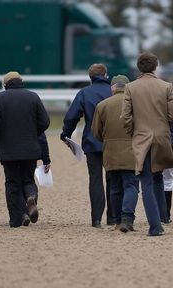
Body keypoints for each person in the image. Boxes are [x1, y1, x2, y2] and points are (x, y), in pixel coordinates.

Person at [121, 52, 173, 236]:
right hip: (161, 138)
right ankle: (162, 218)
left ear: (139, 67)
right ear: (155, 67)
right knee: (158, 179)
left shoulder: (130, 87)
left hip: (141, 138)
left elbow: (125, 117)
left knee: (146, 182)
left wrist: (134, 132)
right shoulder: (166, 86)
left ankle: (155, 226)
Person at [0, 72, 51, 228]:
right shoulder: (33, 97)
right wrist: (32, 131)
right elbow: (45, 122)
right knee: (28, 179)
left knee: (12, 183)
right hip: (30, 148)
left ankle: (18, 218)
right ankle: (31, 196)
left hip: (8, 150)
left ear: (6, 84)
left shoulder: (0, 98)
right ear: (21, 81)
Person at [61, 64, 113, 228]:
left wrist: (66, 134)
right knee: (113, 179)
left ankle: (96, 218)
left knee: (95, 180)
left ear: (90, 77)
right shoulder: (114, 91)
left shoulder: (84, 93)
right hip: (113, 141)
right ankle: (112, 217)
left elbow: (72, 116)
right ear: (105, 75)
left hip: (92, 141)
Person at [92, 75, 139, 232]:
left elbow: (96, 132)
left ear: (112, 87)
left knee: (115, 187)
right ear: (128, 87)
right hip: (131, 151)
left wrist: (108, 140)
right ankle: (127, 218)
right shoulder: (135, 104)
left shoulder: (102, 105)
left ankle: (118, 220)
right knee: (131, 185)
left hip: (110, 152)